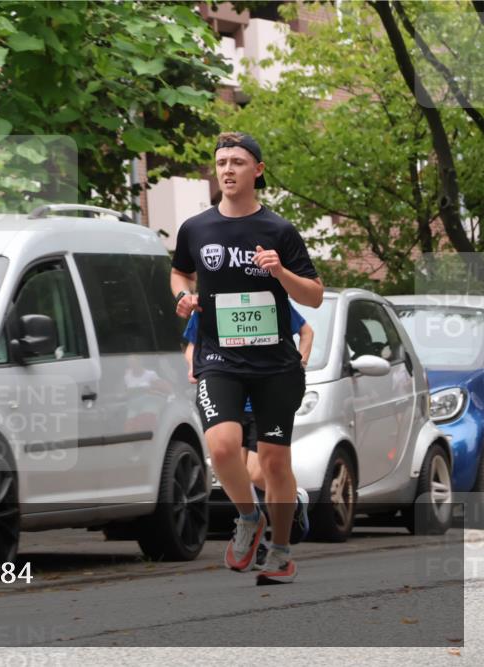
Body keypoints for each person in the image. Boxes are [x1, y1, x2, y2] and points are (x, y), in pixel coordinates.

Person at [171, 131, 323, 585]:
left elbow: (313, 295)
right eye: (221, 163)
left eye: (238, 162)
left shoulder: (279, 230)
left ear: (257, 170)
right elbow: (180, 272)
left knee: (275, 461)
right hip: (220, 357)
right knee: (221, 446)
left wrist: (280, 271)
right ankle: (247, 517)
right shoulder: (196, 229)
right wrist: (183, 296)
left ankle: (280, 549)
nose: (228, 170)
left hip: (275, 364)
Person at [183, 305, 315, 566]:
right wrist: (195, 366)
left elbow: (306, 331)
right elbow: (191, 344)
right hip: (230, 402)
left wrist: (301, 362)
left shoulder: (265, 299)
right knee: (234, 473)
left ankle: (295, 499)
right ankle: (259, 543)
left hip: (260, 403)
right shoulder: (209, 302)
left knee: (256, 473)